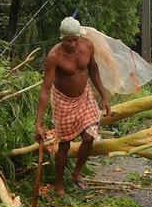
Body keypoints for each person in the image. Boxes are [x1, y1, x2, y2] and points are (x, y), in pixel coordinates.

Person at [34, 17, 111, 196]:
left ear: (79, 36)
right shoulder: (55, 56)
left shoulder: (87, 46)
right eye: (68, 40)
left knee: (89, 138)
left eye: (74, 39)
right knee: (64, 144)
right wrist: (38, 123)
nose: (72, 44)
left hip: (85, 96)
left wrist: (104, 97)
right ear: (62, 38)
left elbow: (93, 69)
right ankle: (59, 182)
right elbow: (45, 89)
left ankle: (77, 172)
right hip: (63, 101)